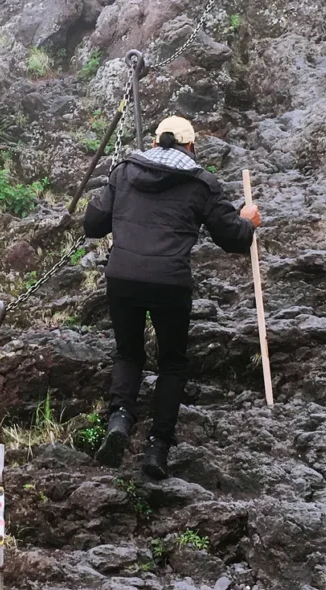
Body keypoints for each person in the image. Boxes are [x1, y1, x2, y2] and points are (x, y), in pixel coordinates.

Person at [83, 116, 261, 479]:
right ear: (191, 146)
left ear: (154, 143)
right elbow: (233, 239)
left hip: (123, 276)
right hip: (169, 282)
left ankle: (119, 421)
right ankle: (157, 449)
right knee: (172, 363)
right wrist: (248, 221)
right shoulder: (201, 184)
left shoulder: (123, 171)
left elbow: (93, 225)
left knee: (128, 352)